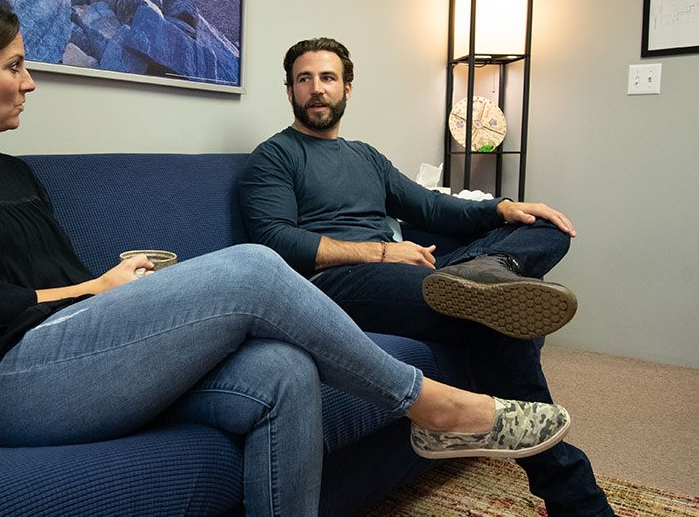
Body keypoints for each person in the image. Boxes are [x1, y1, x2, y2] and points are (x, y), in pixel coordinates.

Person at [0, 0, 571, 517]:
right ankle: (433, 404)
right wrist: (94, 288)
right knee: (252, 265)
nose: (30, 81)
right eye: (15, 66)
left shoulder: (15, 173)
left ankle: (476, 297)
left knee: (282, 371)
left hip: (70, 355)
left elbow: (65, 287)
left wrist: (117, 293)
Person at [237, 37, 613, 516]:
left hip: (401, 274)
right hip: (335, 285)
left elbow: (429, 205)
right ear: (289, 91)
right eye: (304, 80)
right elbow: (274, 242)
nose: (316, 89)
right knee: (494, 318)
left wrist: (503, 207)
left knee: (541, 228)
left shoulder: (365, 156)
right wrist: (382, 252)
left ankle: (486, 273)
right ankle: (577, 497)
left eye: (327, 78)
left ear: (348, 88)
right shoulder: (274, 157)